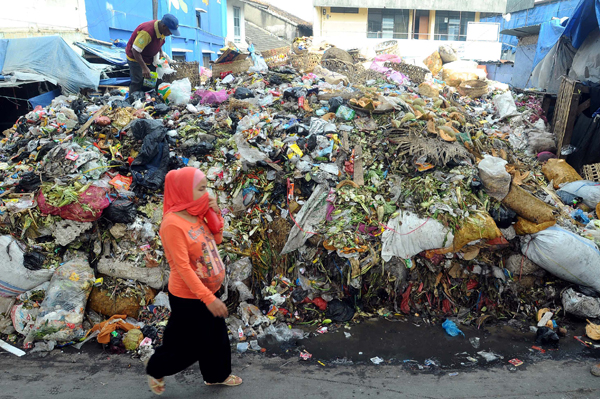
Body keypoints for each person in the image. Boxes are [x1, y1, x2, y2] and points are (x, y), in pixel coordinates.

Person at [145, 167, 242, 395]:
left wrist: (214, 212)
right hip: (190, 297)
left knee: (216, 337)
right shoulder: (172, 224)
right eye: (201, 189)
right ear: (183, 191)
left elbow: (216, 238)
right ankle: (155, 368)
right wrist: (208, 299)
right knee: (189, 347)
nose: (207, 193)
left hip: (209, 290)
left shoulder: (196, 213)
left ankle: (216, 376)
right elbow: (182, 267)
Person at [126, 14, 180, 93]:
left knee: (153, 80)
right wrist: (144, 68)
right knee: (138, 81)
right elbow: (135, 51)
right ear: (164, 26)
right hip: (135, 57)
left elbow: (158, 41)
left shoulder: (162, 30)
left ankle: (148, 99)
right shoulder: (147, 32)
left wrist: (160, 51)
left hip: (148, 57)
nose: (171, 34)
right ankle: (133, 101)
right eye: (170, 31)